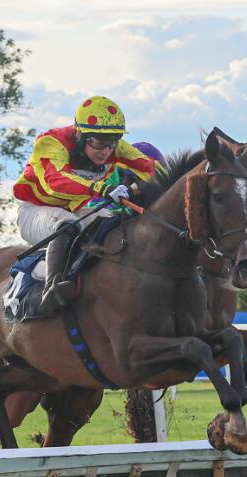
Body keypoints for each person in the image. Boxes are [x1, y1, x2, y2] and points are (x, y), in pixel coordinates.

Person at [13, 96, 162, 315]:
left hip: (76, 209)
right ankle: (52, 289)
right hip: (36, 210)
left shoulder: (114, 147)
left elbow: (154, 169)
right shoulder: (51, 142)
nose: (106, 151)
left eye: (112, 143)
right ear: (80, 135)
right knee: (67, 224)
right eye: (99, 142)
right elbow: (55, 181)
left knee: (112, 222)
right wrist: (99, 189)